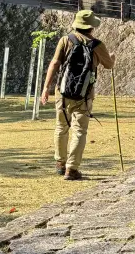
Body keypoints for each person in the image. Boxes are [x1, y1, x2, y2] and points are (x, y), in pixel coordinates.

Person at [40, 10, 114, 181]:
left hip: (63, 92)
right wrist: (112, 58)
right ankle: (72, 169)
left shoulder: (66, 40)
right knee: (79, 131)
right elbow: (109, 65)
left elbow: (55, 63)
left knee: (61, 127)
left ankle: (60, 164)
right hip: (85, 95)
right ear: (91, 27)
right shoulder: (97, 45)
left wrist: (46, 88)